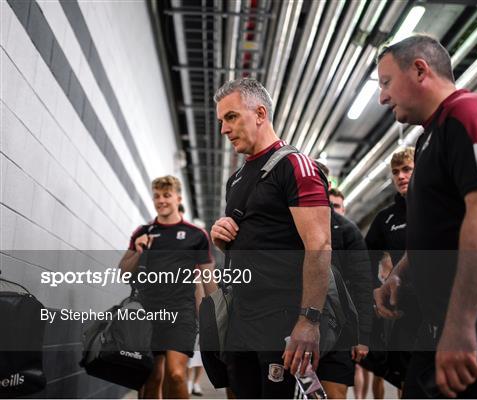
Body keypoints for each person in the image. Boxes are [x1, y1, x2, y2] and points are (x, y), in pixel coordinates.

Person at [374, 34, 477, 398]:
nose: (382, 96)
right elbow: (439, 227)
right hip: (443, 325)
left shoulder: (471, 114)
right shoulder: (429, 138)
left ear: (420, 70)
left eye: (386, 82)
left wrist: (461, 324)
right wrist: (400, 274)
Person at [210, 78, 331, 398]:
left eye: (232, 117)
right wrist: (224, 241)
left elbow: (319, 246)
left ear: (260, 113)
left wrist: (309, 321)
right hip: (242, 317)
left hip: (282, 321)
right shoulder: (236, 179)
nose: (224, 129)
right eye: (221, 120)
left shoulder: (296, 166)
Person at [119, 175, 217, 399]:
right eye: (156, 196)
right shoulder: (143, 233)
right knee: (152, 377)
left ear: (178, 198)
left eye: (166, 195)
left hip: (181, 314)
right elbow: (124, 271)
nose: (161, 200)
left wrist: (215, 316)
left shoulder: (196, 235)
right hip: (147, 314)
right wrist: (138, 251)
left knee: (175, 374)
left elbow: (207, 278)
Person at [363, 147, 422, 397]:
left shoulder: (439, 206)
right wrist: (373, 289)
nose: (400, 176)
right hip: (404, 309)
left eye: (407, 169)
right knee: (407, 380)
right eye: (396, 172)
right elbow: (364, 259)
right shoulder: (386, 218)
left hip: (441, 305)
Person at [314, 162, 372, 399]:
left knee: (334, 395)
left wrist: (362, 338)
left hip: (339, 329)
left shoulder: (347, 231)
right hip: (293, 329)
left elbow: (362, 285)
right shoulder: (286, 226)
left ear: (326, 185)